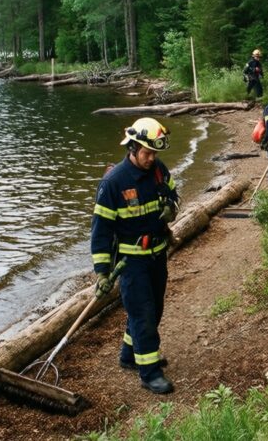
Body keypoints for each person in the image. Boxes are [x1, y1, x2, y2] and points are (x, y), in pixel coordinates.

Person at [91, 117, 181, 395]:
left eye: (154, 153)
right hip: (131, 263)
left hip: (157, 256)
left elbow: (175, 195)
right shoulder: (113, 183)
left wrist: (172, 209)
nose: (151, 158)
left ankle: (130, 355)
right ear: (132, 148)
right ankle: (149, 372)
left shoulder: (158, 170)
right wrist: (102, 272)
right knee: (142, 314)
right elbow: (101, 231)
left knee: (154, 310)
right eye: (146, 153)